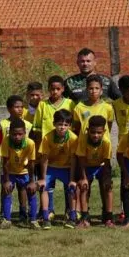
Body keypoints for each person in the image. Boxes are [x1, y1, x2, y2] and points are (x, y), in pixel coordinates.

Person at [32, 75, 74, 218]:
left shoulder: (70, 103)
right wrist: (39, 150)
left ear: (62, 89)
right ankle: (48, 210)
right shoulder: (43, 105)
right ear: (48, 89)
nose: (55, 92)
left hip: (65, 150)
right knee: (47, 182)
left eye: (58, 89)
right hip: (47, 152)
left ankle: (70, 210)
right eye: (52, 89)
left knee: (68, 182)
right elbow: (37, 130)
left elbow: (73, 126)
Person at [39, 109, 79, 228]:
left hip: (66, 168)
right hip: (51, 167)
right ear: (54, 124)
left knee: (72, 188)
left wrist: (72, 179)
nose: (62, 127)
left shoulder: (73, 138)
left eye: (66, 125)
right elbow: (44, 159)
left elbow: (73, 160)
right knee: (43, 187)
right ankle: (46, 216)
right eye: (59, 124)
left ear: (70, 126)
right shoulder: (47, 137)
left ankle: (72, 216)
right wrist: (42, 178)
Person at [0, 118, 41, 229]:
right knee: (7, 191)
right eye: (14, 134)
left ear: (25, 133)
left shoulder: (30, 143)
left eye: (20, 134)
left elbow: (32, 163)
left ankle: (32, 220)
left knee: (31, 192)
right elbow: (5, 162)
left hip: (25, 172)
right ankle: (7, 220)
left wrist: (32, 181)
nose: (17, 137)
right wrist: (7, 180)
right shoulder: (6, 141)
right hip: (10, 172)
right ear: (9, 133)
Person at [74, 114, 114, 228]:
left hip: (101, 167)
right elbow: (81, 160)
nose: (96, 135)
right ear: (88, 130)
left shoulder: (106, 142)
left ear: (104, 131)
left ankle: (109, 218)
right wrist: (84, 178)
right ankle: (85, 218)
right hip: (87, 167)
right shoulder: (83, 140)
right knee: (83, 187)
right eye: (93, 132)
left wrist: (107, 178)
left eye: (99, 133)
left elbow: (107, 162)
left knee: (108, 187)